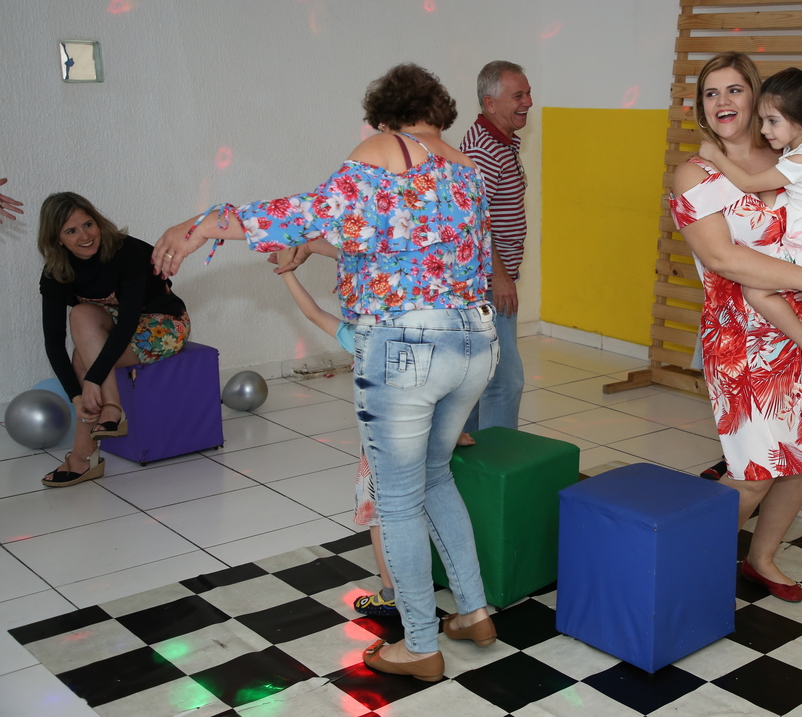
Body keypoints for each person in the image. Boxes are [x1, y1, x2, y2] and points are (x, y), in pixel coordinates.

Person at [153, 63, 498, 683]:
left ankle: (420, 645)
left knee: (397, 501)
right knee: (436, 476)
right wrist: (317, 246)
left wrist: (202, 223)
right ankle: (474, 613)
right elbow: (406, 251)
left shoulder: (385, 149)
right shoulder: (464, 168)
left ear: (385, 117)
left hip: (408, 347)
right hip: (473, 340)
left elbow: (302, 211)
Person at [671, 52, 802, 602]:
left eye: (734, 90)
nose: (722, 102)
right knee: (755, 470)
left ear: (757, 98)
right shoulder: (694, 174)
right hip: (742, 340)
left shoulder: (795, 156)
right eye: (711, 93)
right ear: (701, 107)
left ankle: (762, 558)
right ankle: (680, 571)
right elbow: (722, 257)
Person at [699, 67, 802, 385]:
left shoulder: (799, 160)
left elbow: (748, 183)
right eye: (762, 120)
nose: (764, 130)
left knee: (756, 289)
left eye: (772, 121)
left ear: (799, 119)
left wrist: (715, 156)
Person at [268, 244, 400, 618]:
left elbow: (312, 312)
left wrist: (287, 273)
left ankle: (390, 595)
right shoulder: (414, 331)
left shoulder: (362, 336)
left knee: (379, 518)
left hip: (380, 445)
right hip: (421, 436)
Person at [38, 193, 190, 486]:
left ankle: (86, 451)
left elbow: (129, 322)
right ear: (57, 239)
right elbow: (53, 342)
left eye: (88, 224)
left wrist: (93, 379)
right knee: (80, 314)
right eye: (71, 231)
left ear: (97, 221)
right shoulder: (56, 271)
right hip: (116, 325)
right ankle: (109, 415)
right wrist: (76, 396)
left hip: (164, 324)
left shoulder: (126, 251)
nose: (85, 236)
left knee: (84, 359)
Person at [459, 60, 531, 433]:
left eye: (528, 93)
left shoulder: (502, 142)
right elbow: (473, 219)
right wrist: (499, 277)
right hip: (485, 283)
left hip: (490, 278)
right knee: (505, 381)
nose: (528, 102)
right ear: (490, 103)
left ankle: (466, 456)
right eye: (518, 95)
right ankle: (503, 460)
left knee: (478, 377)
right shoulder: (484, 149)